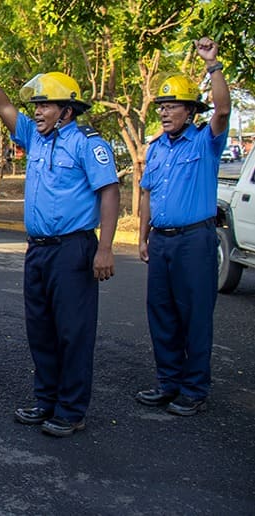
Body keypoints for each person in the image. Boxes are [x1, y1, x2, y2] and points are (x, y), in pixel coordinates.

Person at [0, 45, 119, 437]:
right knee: (41, 329)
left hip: (73, 248)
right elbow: (0, 103)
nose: (37, 112)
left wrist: (105, 248)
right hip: (38, 249)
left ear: (67, 110)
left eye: (45, 105)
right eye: (36, 106)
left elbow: (109, 192)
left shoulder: (88, 143)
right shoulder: (35, 138)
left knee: (73, 331)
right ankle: (46, 399)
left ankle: (71, 409)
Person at [135, 37, 230, 416]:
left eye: (172, 105)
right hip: (161, 241)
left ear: (190, 111)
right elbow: (146, 194)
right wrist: (143, 237)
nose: (164, 112)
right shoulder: (156, 148)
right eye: (162, 106)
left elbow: (223, 109)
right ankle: (168, 382)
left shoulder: (206, 141)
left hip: (195, 241)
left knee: (195, 314)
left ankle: (194, 389)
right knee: (162, 313)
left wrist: (212, 64)